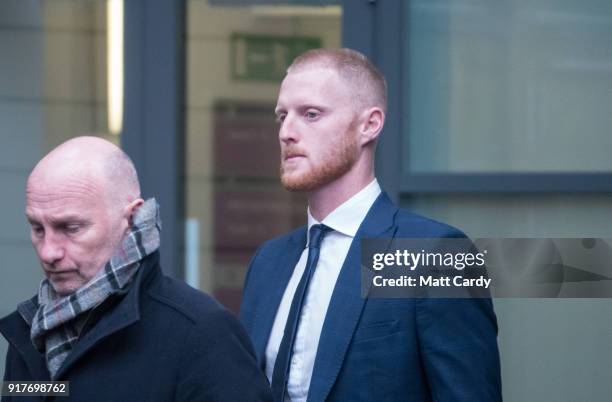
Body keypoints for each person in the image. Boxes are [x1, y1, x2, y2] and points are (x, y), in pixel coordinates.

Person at [239, 48, 502, 401]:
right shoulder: (268, 263)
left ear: (370, 124)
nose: (287, 132)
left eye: (311, 114)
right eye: (282, 116)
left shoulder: (434, 254)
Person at [0, 137, 272, 402]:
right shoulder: (30, 330)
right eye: (37, 228)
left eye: (71, 228)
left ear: (130, 218)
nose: (49, 252)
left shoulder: (201, 332)